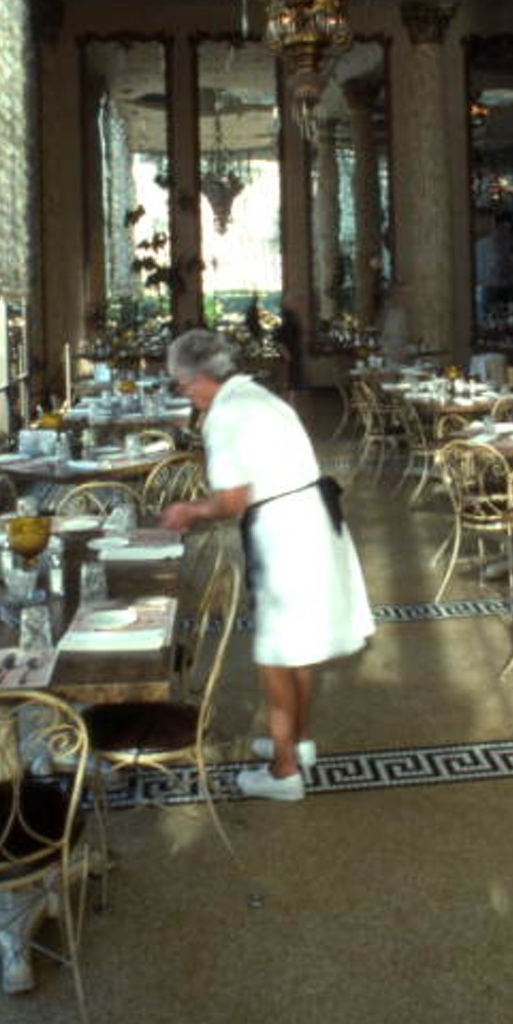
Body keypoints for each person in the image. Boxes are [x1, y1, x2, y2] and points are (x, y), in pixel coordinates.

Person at [159, 328, 373, 802]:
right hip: (311, 521)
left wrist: (187, 511)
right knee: (297, 647)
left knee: (275, 653)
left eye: (181, 384)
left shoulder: (226, 416)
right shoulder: (258, 395)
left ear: (198, 379)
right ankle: (296, 739)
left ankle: (284, 772)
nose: (184, 394)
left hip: (285, 535)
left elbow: (233, 500)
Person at [378, 281, 411, 365]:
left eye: (408, 295)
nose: (406, 298)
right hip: (391, 356)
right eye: (403, 294)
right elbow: (386, 337)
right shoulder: (392, 313)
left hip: (402, 355)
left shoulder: (403, 312)